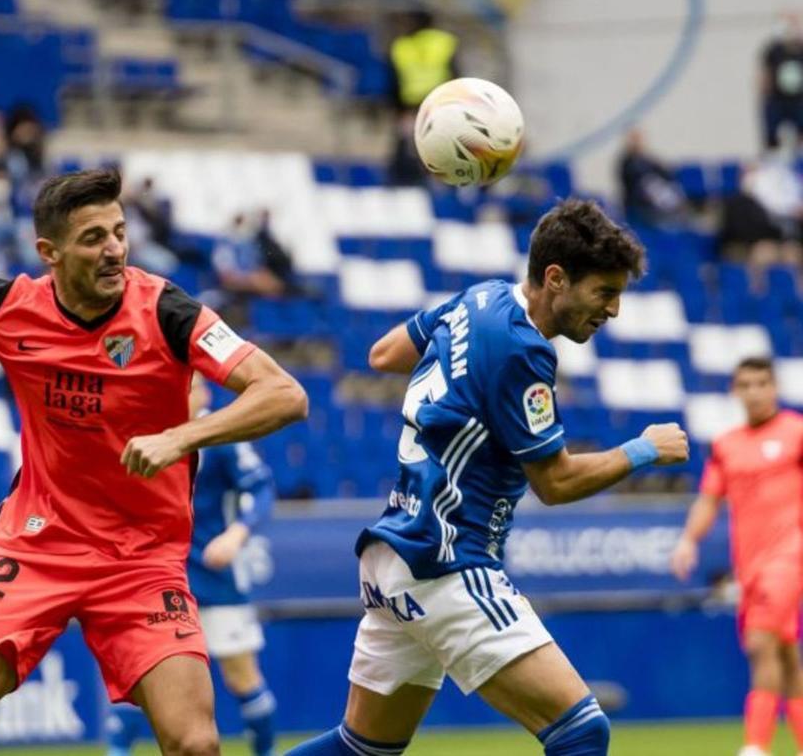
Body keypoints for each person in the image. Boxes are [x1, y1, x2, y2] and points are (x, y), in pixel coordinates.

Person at [0, 168, 308, 756]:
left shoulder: (169, 311)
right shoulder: (5, 306)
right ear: (50, 253)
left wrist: (181, 437)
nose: (115, 249)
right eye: (94, 238)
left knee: (195, 744)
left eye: (119, 232)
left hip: (142, 561)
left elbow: (285, 394)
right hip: (37, 548)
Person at [287, 199, 689, 756]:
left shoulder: (480, 299)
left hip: (394, 553)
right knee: (582, 730)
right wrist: (643, 450)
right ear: (555, 278)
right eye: (604, 292)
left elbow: (384, 353)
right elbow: (556, 483)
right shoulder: (520, 350)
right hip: (447, 560)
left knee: (361, 750)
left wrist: (459, 376)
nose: (614, 310)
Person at [107, 373, 279, 756]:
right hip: (158, 577)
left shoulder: (222, 437)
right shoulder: (145, 436)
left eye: (193, 386)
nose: (189, 392)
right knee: (144, 677)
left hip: (216, 578)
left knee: (241, 677)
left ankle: (266, 752)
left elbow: (262, 488)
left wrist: (237, 535)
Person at [670, 358, 803, 756]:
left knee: (760, 643)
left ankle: (755, 747)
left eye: (762, 383)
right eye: (745, 384)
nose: (754, 391)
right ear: (735, 391)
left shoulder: (796, 432)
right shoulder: (726, 445)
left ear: (774, 387)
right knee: (784, 654)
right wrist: (688, 541)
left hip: (791, 556)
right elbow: (709, 500)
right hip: (751, 565)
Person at [760, 13, 803, 152]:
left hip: (798, 99)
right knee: (772, 134)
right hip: (777, 99)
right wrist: (765, 93)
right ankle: (773, 156)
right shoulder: (774, 51)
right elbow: (765, 74)